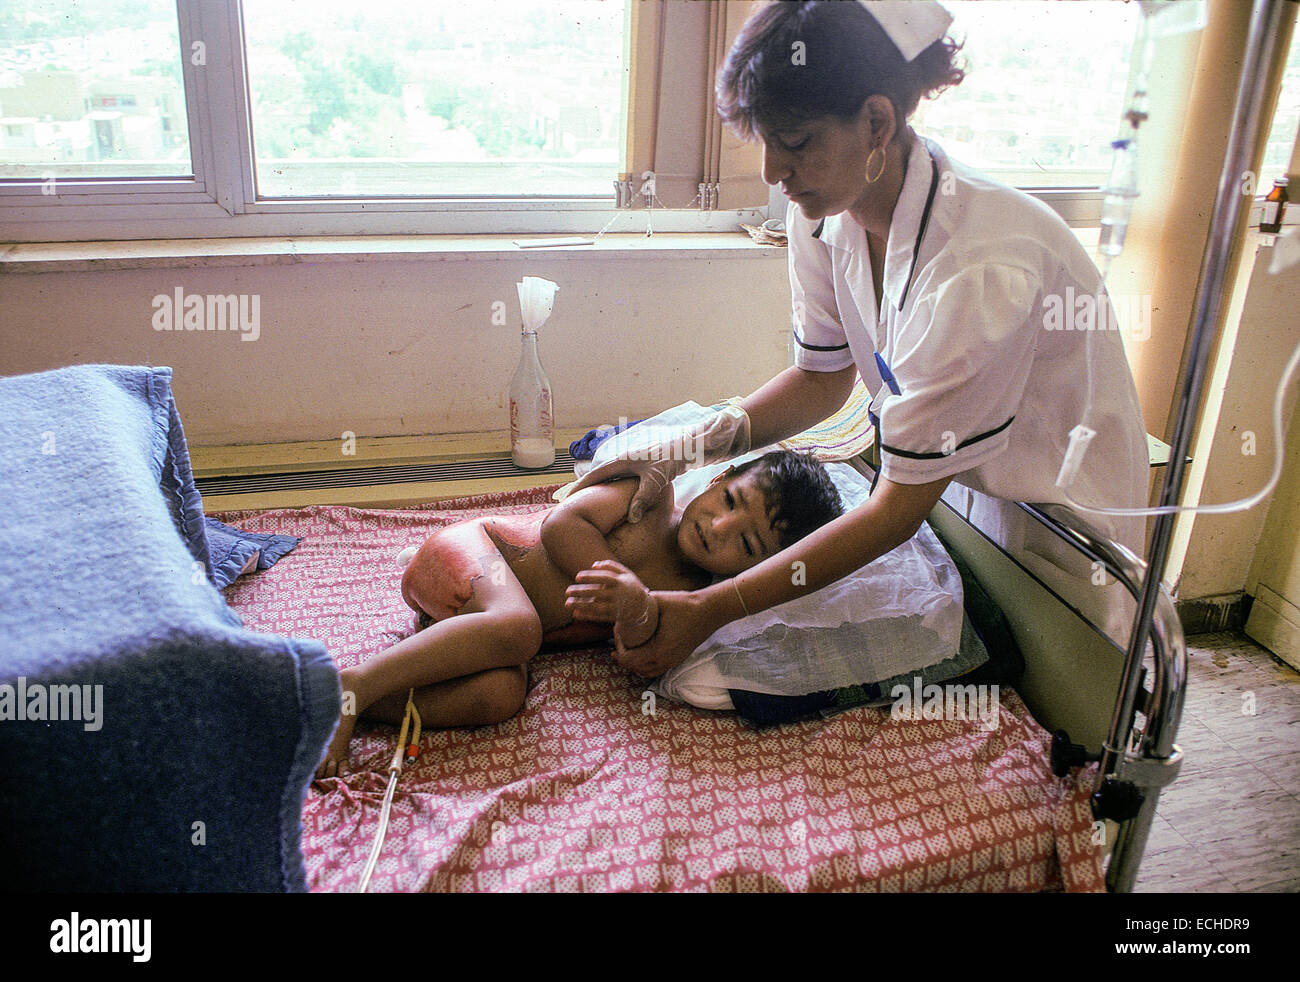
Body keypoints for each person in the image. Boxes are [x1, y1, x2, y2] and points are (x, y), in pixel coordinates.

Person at [560, 0, 1149, 678]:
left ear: (877, 121)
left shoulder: (979, 268)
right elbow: (821, 380)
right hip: (965, 494)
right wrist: (683, 447)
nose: (775, 171)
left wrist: (711, 608)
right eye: (766, 142)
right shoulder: (826, 212)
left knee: (1069, 697)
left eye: (798, 141)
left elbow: (895, 510)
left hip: (1062, 529)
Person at [316, 450, 842, 778]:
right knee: (519, 629)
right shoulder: (647, 501)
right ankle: (358, 681)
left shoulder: (688, 601)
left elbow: (639, 659)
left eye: (746, 543)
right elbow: (562, 525)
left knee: (501, 694)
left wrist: (636, 612)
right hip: (473, 553)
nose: (719, 527)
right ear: (715, 478)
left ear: (754, 571)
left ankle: (360, 705)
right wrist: (624, 580)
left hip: (471, 627)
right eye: (729, 500)